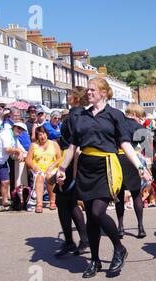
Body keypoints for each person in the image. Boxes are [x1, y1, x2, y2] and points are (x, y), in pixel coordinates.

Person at [56, 78, 151, 279]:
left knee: (98, 212)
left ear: (103, 92)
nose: (88, 93)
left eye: (92, 90)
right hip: (85, 166)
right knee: (91, 216)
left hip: (107, 167)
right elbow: (73, 146)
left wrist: (140, 166)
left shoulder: (115, 115)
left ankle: (119, 247)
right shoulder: (81, 116)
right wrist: (62, 168)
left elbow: (125, 144)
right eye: (88, 90)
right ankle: (95, 260)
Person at [53, 86, 89, 257]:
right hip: (73, 162)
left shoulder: (74, 115)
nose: (67, 96)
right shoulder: (83, 114)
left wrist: (68, 170)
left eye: (70, 94)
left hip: (71, 163)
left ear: (75, 98)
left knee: (65, 202)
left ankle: (75, 240)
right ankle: (77, 240)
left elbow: (77, 145)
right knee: (69, 202)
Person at [115, 103, 149, 239]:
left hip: (116, 158)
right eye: (140, 116)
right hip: (132, 158)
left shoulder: (117, 124)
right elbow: (146, 147)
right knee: (136, 195)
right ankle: (140, 227)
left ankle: (120, 227)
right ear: (134, 114)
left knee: (119, 194)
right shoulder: (139, 127)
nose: (140, 119)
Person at [0, 123, 26, 212]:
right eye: (19, 128)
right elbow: (7, 149)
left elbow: (21, 148)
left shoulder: (15, 137)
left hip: (1, 161)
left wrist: (23, 152)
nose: (20, 130)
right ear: (14, 127)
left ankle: (5, 201)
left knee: (6, 181)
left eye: (22, 129)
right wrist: (18, 151)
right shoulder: (6, 134)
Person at [25, 126, 61, 213]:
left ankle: (52, 201)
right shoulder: (33, 145)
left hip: (51, 167)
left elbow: (60, 158)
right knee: (39, 176)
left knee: (49, 177)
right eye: (40, 135)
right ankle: (39, 203)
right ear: (37, 136)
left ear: (47, 134)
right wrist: (34, 167)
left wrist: (52, 166)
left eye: (44, 134)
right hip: (38, 167)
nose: (42, 136)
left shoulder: (54, 144)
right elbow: (28, 160)